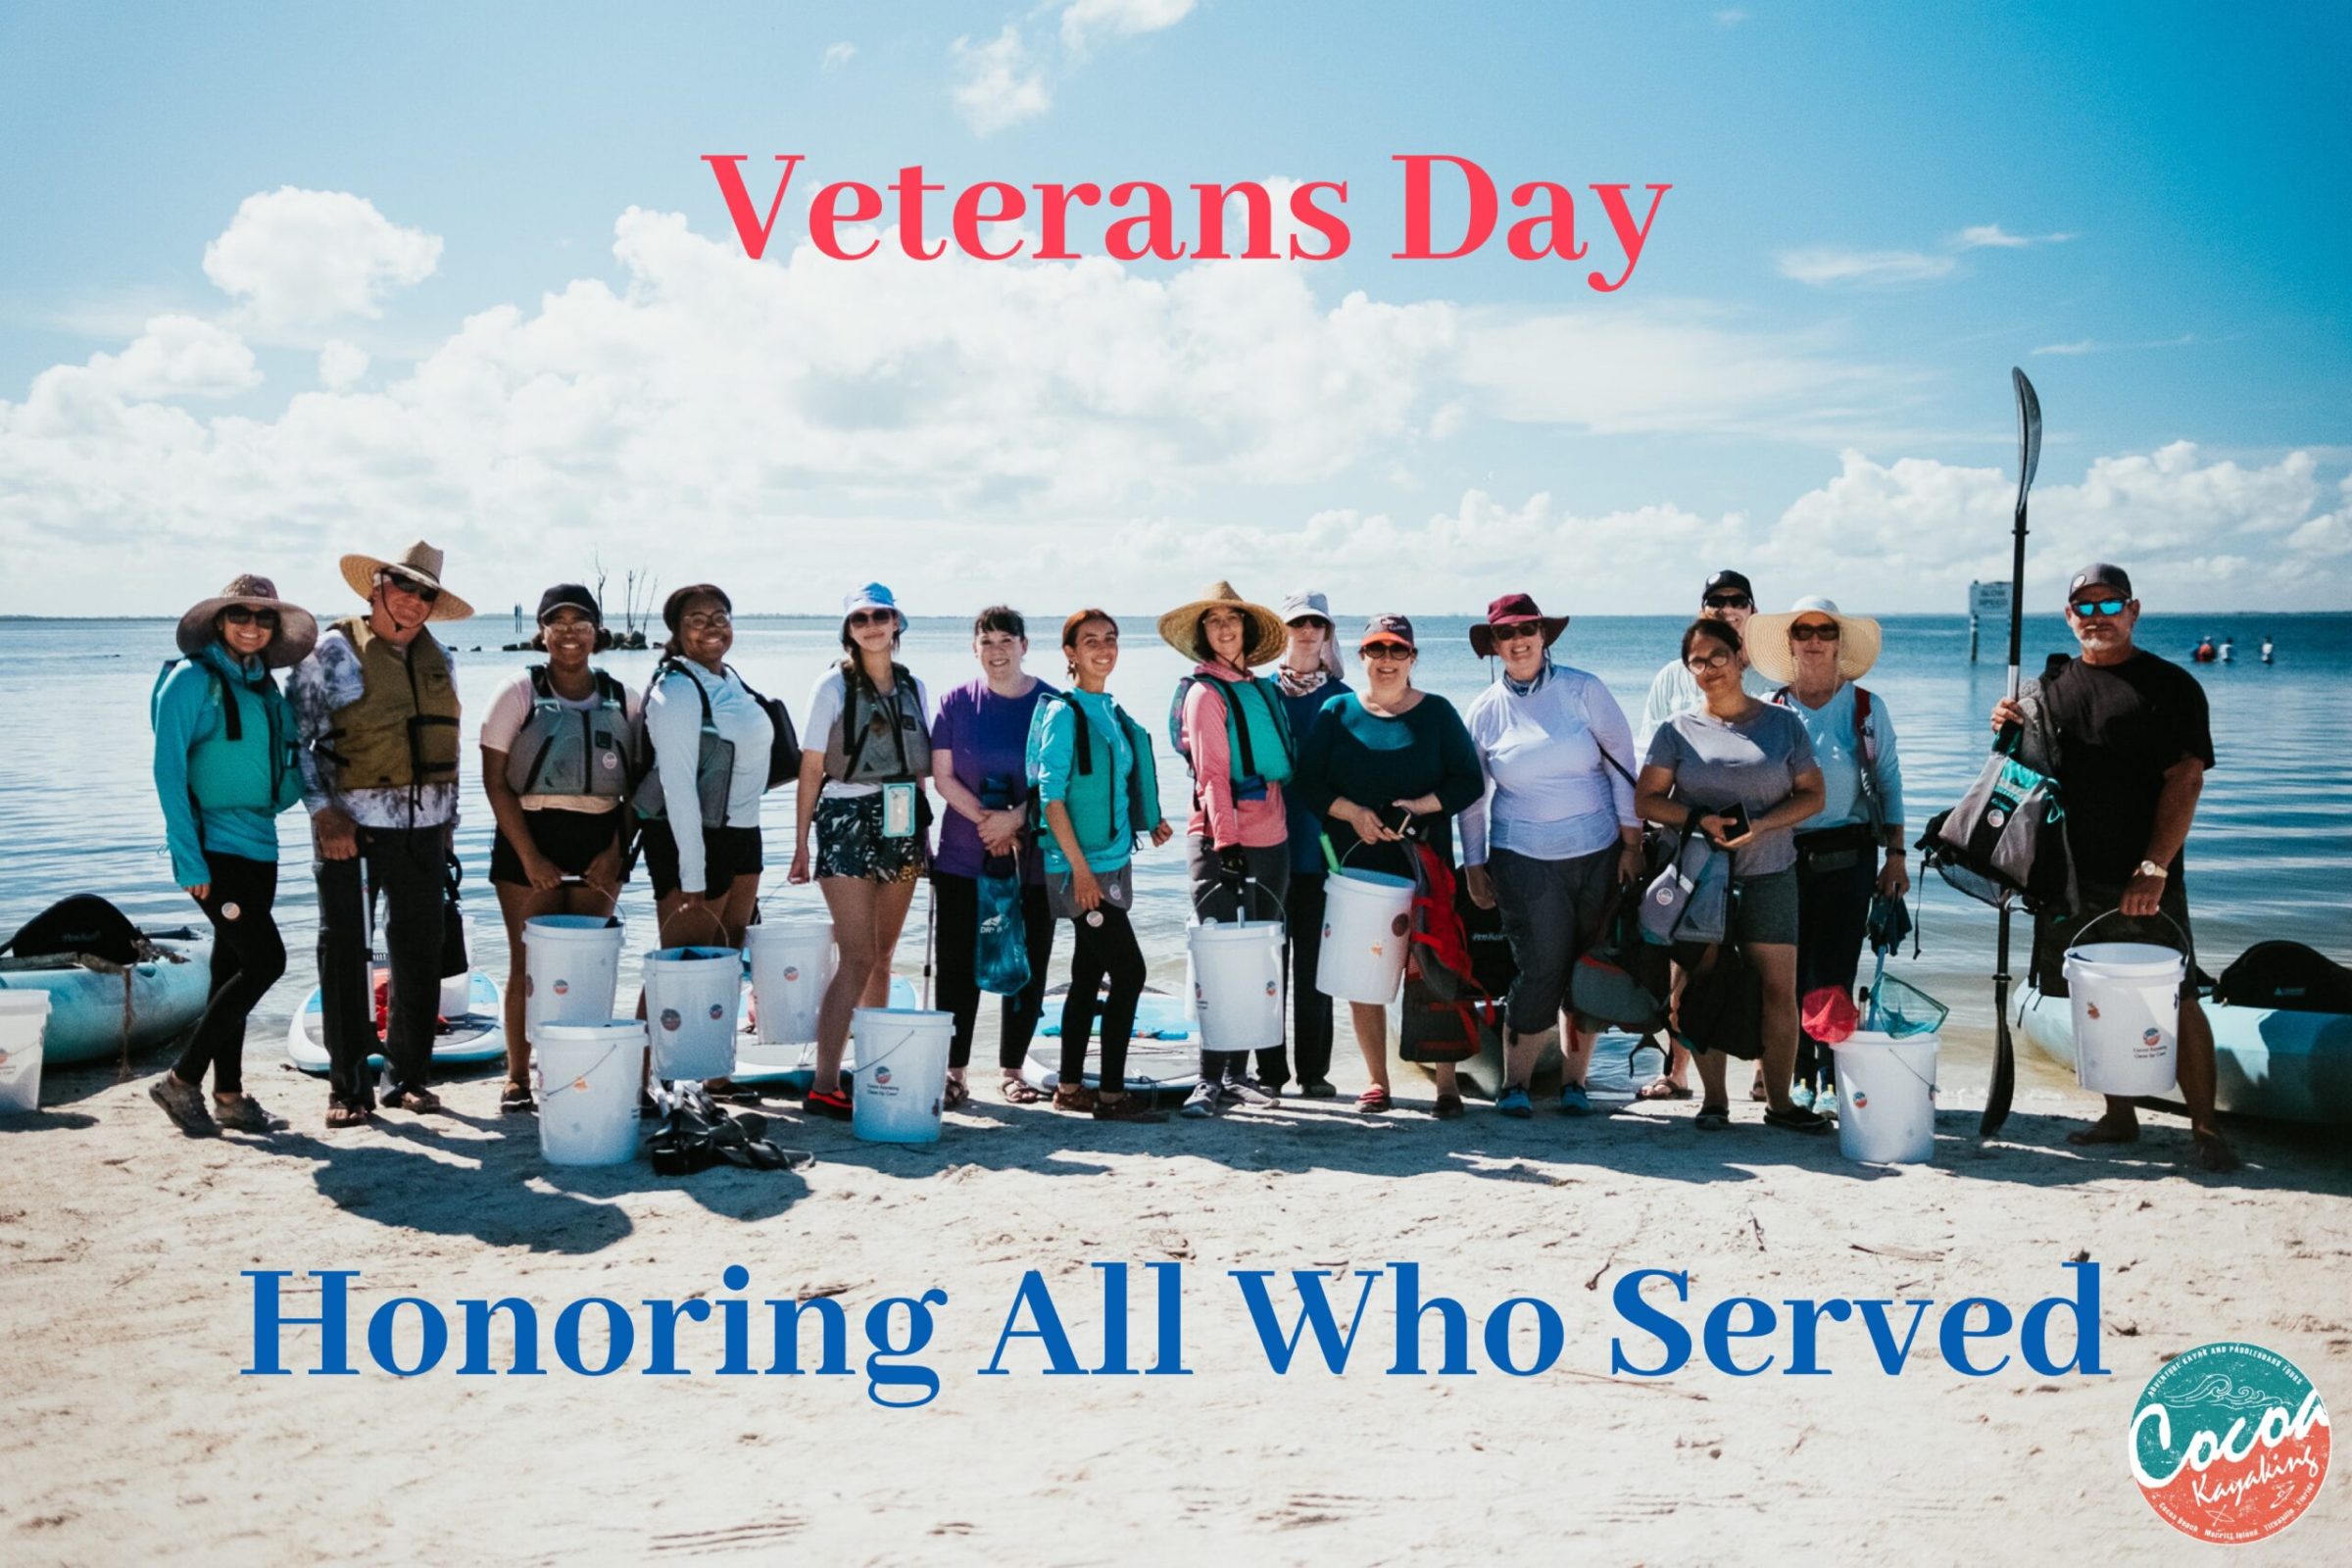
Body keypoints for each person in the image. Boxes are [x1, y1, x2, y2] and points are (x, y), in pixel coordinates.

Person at [1990, 564, 2237, 1171]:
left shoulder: (2171, 686)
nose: (2097, 617)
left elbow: (2186, 779)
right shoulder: (2046, 691)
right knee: (2093, 995)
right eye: (2085, 606)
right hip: (2069, 875)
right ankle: (2120, 1114)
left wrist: (2154, 865)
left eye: (2109, 605)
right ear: (2069, 615)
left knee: (2179, 992)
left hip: (2145, 872)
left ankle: (2206, 1127)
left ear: (2133, 610)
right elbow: (2021, 777)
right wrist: (2006, 728)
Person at [290, 542, 470, 1127]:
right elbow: (297, 741)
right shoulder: (332, 652)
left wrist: (449, 824)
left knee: (420, 953)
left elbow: (450, 748)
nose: (414, 600)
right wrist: (323, 813)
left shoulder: (441, 658)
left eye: (426, 593)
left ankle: (407, 1078)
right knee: (345, 953)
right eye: (404, 586)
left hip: (425, 831)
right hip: (352, 829)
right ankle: (347, 1088)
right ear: (376, 588)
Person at [1634, 619, 1832, 1135]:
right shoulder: (1675, 731)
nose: (1709, 669)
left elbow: (1814, 796)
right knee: (1701, 987)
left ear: (1740, 657)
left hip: (1770, 873)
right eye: (1697, 661)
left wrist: (1761, 825)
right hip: (1699, 880)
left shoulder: (1783, 725)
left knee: (1779, 992)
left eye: (1718, 656)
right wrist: (1699, 819)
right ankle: (1714, 1100)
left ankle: (1781, 1103)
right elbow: (1647, 801)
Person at [1457, 594, 1643, 1118]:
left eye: (1527, 630)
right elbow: (1473, 800)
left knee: (1587, 967)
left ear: (1543, 635)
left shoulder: (1585, 690)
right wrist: (1474, 866)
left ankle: (1574, 1085)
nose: (1518, 641)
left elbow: (1623, 768)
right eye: (1506, 634)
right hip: (1521, 857)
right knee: (1540, 968)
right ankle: (1514, 1085)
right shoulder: (1483, 710)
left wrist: (1632, 844)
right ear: (1494, 646)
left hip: (1599, 851)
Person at [1289, 615, 1483, 1117]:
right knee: (1363, 976)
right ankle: (1377, 1081)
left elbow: (1469, 782)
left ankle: (1446, 1085)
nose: (1387, 660)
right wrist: (1352, 813)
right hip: (1358, 869)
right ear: (1362, 658)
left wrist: (1418, 807)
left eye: (1398, 651)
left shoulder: (1438, 713)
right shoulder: (1337, 711)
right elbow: (1307, 781)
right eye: (1377, 650)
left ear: (1413, 658)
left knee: (1434, 968)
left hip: (1425, 864)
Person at [146, 574, 317, 1136]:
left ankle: (230, 1095)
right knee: (267, 962)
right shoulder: (191, 681)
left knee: (231, 968)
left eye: (264, 618)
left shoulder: (265, 689)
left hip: (260, 845)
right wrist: (188, 858)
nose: (251, 626)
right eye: (239, 614)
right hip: (212, 850)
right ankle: (180, 1080)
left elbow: (287, 763)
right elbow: (168, 772)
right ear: (219, 622)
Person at [478, 585, 637, 1114]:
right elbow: (495, 782)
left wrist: (616, 852)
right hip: (530, 832)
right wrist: (530, 857)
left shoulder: (624, 697)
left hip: (601, 836)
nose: (570, 633)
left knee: (588, 963)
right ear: (542, 632)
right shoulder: (516, 692)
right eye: (558, 623)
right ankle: (517, 1076)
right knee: (528, 962)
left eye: (581, 623)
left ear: (597, 631)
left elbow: (641, 786)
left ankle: (579, 1068)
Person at [1745, 597, 1908, 1112]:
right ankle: (1798, 1075)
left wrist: (1897, 856)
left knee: (1834, 971)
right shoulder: (1770, 709)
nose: (1814, 640)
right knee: (1786, 973)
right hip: (1781, 854)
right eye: (1803, 631)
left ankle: (1832, 1075)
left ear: (1839, 643)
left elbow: (1889, 782)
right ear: (1790, 643)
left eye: (1825, 631)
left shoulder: (1866, 708)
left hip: (1848, 854)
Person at [792, 583, 933, 1120]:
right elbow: (811, 767)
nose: (872, 625)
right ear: (848, 630)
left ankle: (877, 1070)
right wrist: (801, 844)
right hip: (845, 817)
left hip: (902, 819)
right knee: (856, 955)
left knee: (883, 955)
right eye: (860, 618)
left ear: (897, 623)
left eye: (881, 615)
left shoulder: (914, 685)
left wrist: (925, 835)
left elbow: (917, 768)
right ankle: (825, 1083)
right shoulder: (831, 685)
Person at [1026, 610, 1173, 1122]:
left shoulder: (1108, 710)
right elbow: (1051, 798)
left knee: (1088, 974)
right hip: (1080, 871)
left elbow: (1115, 783)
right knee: (1131, 973)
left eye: (1110, 639)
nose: (1103, 648)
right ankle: (1111, 1095)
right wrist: (1081, 872)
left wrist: (1148, 822)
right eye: (1090, 641)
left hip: (1112, 861)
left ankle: (1070, 1087)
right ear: (1070, 653)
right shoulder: (1065, 714)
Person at [1634, 567, 1772, 1102]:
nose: (1727, 608)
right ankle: (1678, 1072)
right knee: (1687, 960)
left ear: (1753, 611)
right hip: (1688, 840)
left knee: (1757, 957)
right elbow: (1648, 754)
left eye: (1738, 600)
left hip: (1758, 842)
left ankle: (1762, 1071)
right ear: (1702, 610)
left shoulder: (1771, 671)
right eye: (1716, 600)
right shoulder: (1673, 676)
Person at [1158, 581, 1296, 1117]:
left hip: (1273, 839)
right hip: (1223, 843)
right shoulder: (1204, 693)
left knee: (1257, 961)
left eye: (1232, 619)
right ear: (1203, 634)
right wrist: (1227, 843)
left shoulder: (1260, 689)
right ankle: (1208, 1079)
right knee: (1219, 961)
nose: (1224, 628)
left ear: (1247, 629)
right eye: (1213, 621)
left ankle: (1239, 1076)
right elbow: (1213, 774)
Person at [634, 584, 775, 1096]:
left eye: (720, 616)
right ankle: (637, 1079)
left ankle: (716, 1074)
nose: (712, 627)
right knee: (679, 961)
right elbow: (677, 788)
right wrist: (692, 873)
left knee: (727, 954)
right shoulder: (676, 689)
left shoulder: (729, 679)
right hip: (689, 838)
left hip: (742, 830)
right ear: (676, 631)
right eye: (696, 619)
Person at [928, 607, 1057, 1106]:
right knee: (957, 966)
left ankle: (1013, 1070)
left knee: (1026, 963)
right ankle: (954, 1071)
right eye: (987, 641)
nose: (997, 650)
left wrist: (1016, 819)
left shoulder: (1051, 704)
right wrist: (990, 822)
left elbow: (1057, 780)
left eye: (1007, 640)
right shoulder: (956, 702)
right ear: (974, 648)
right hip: (962, 856)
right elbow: (942, 777)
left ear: (1025, 645)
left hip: (1032, 859)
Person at [1272, 590, 1349, 1099]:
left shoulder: (1344, 698)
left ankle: (1315, 1072)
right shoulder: (1260, 694)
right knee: (1268, 969)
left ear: (1327, 634)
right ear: (1282, 631)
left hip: (1323, 853)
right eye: (1297, 623)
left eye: (1315, 624)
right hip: (1268, 850)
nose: (1306, 632)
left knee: (1317, 971)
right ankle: (1268, 1073)